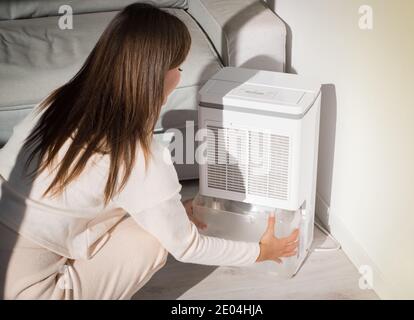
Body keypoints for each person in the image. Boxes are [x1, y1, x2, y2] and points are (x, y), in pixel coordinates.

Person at [0, 3, 299, 300]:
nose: (180, 76)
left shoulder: (58, 101)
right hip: (28, 293)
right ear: (159, 76)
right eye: (179, 67)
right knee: (152, 241)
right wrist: (261, 251)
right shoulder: (137, 158)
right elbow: (187, 246)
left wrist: (167, 211)